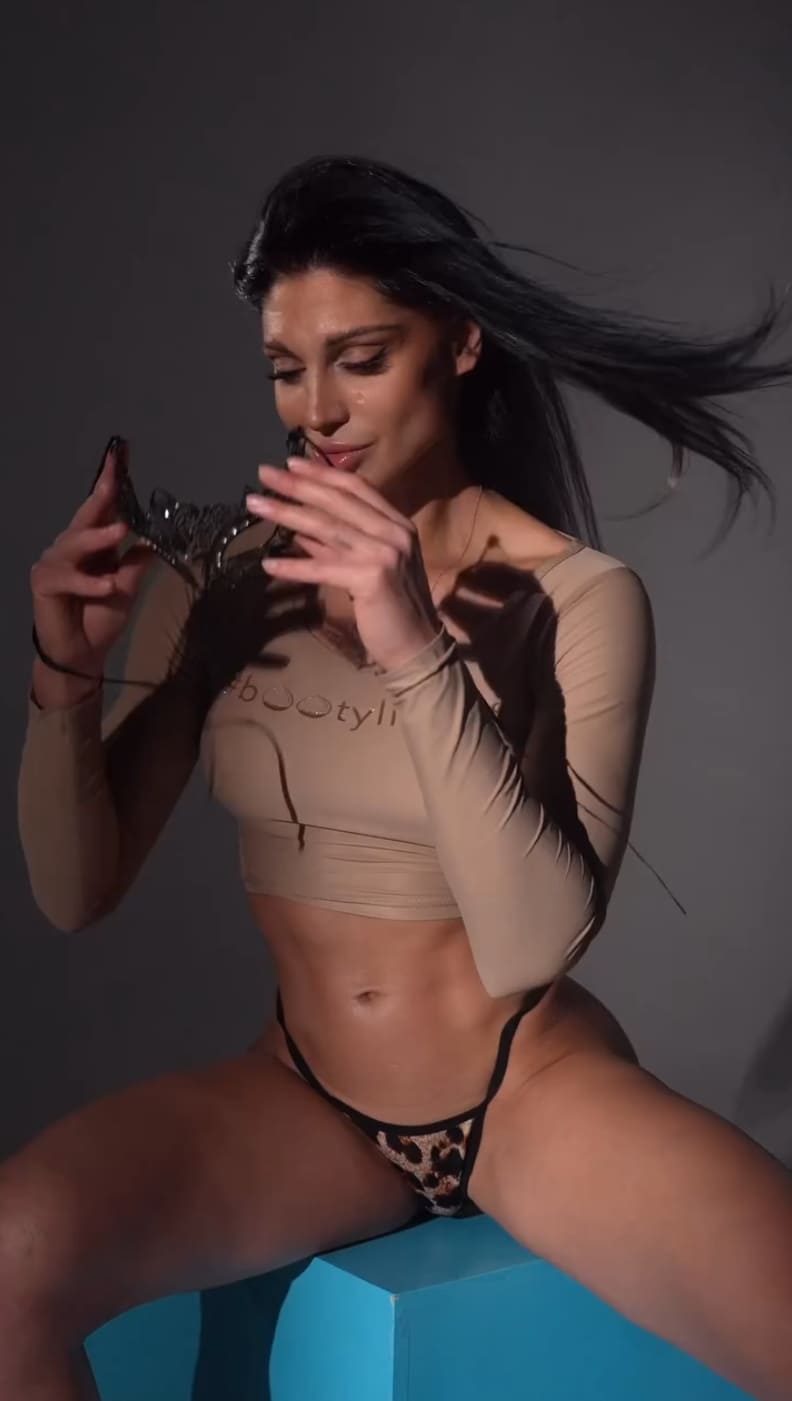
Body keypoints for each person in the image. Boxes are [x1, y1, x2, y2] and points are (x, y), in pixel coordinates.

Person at [8, 152, 792, 1401]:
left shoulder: (576, 597)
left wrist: (414, 642)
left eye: (361, 359)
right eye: (286, 368)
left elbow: (532, 945)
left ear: (461, 343)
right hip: (305, 1096)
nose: (317, 409)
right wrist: (66, 673)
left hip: (529, 1092)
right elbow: (74, 892)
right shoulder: (229, 581)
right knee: (12, 1264)